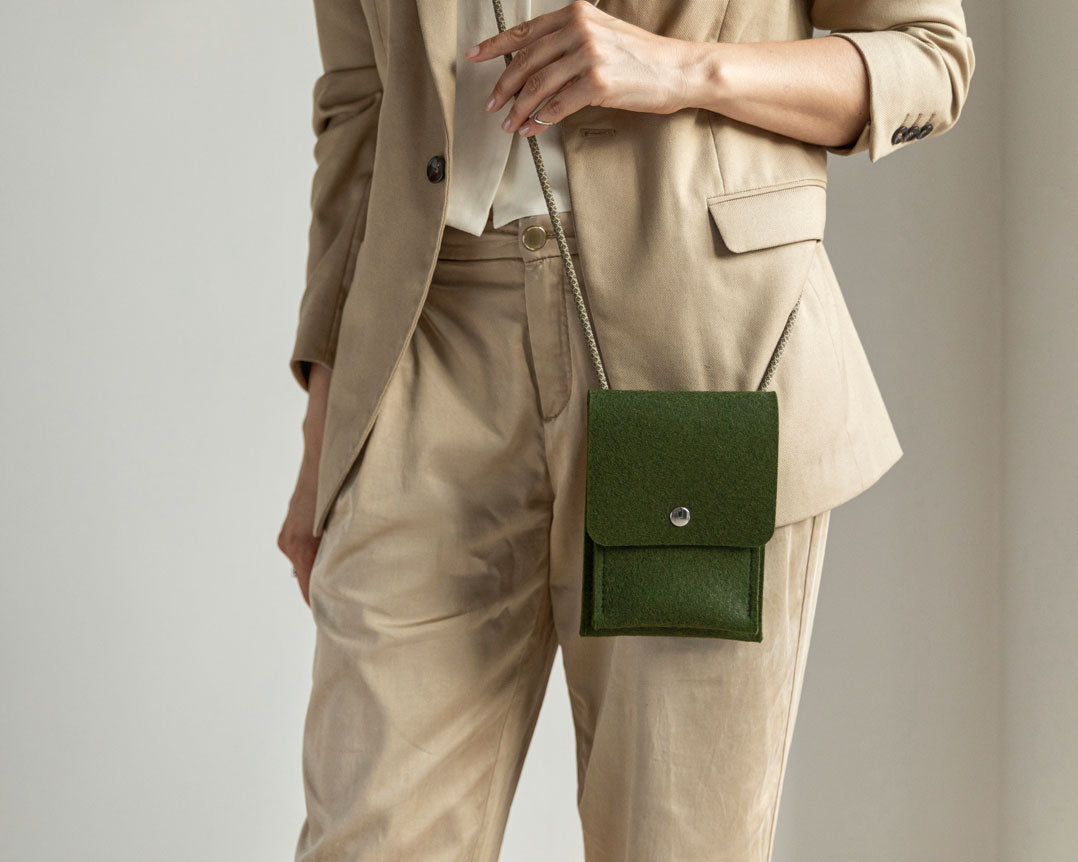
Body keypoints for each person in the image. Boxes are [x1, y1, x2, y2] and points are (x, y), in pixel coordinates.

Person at [277, 0, 975, 858]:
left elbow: (930, 61)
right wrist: (324, 434)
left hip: (700, 355)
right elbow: (360, 107)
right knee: (369, 836)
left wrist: (681, 69)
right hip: (426, 346)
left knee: (676, 840)